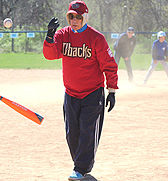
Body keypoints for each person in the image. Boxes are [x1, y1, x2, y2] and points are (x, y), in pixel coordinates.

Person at [43, 1, 118, 180]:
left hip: (92, 93)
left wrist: (112, 90)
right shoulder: (62, 35)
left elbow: (109, 65)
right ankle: (79, 165)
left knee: (88, 131)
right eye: (71, 16)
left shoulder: (96, 38)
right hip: (70, 93)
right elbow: (50, 55)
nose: (74, 20)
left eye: (78, 17)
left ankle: (80, 168)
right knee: (72, 133)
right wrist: (49, 36)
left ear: (85, 17)